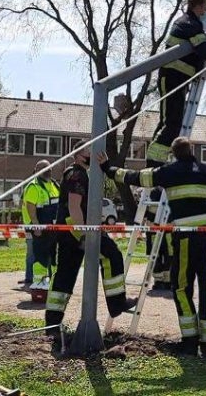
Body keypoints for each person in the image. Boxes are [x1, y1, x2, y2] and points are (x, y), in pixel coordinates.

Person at [99, 136, 206, 358]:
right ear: (192, 150)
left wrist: (108, 169)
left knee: (181, 288)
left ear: (174, 154)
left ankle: (190, 341)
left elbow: (136, 177)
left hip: (186, 238)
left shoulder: (169, 172)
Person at [45, 144, 136, 354]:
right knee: (112, 255)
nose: (92, 156)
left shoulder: (77, 174)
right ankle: (116, 302)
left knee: (65, 277)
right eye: (88, 153)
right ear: (78, 155)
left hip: (73, 231)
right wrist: (85, 234)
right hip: (78, 230)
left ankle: (52, 323)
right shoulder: (77, 175)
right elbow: (74, 206)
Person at [145, 0, 206, 168]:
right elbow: (204, 52)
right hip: (171, 78)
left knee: (173, 122)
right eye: (205, 6)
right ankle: (153, 162)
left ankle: (157, 161)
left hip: (177, 79)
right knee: (171, 123)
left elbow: (198, 49)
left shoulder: (189, 24)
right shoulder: (189, 24)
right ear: (197, 6)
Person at [20, 160, 60, 287]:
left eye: (48, 167)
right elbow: (30, 207)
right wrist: (36, 225)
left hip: (52, 228)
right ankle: (35, 281)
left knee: (52, 256)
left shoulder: (54, 184)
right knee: (37, 254)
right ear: (36, 170)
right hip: (38, 227)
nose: (47, 170)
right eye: (43, 168)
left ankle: (51, 281)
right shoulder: (33, 186)